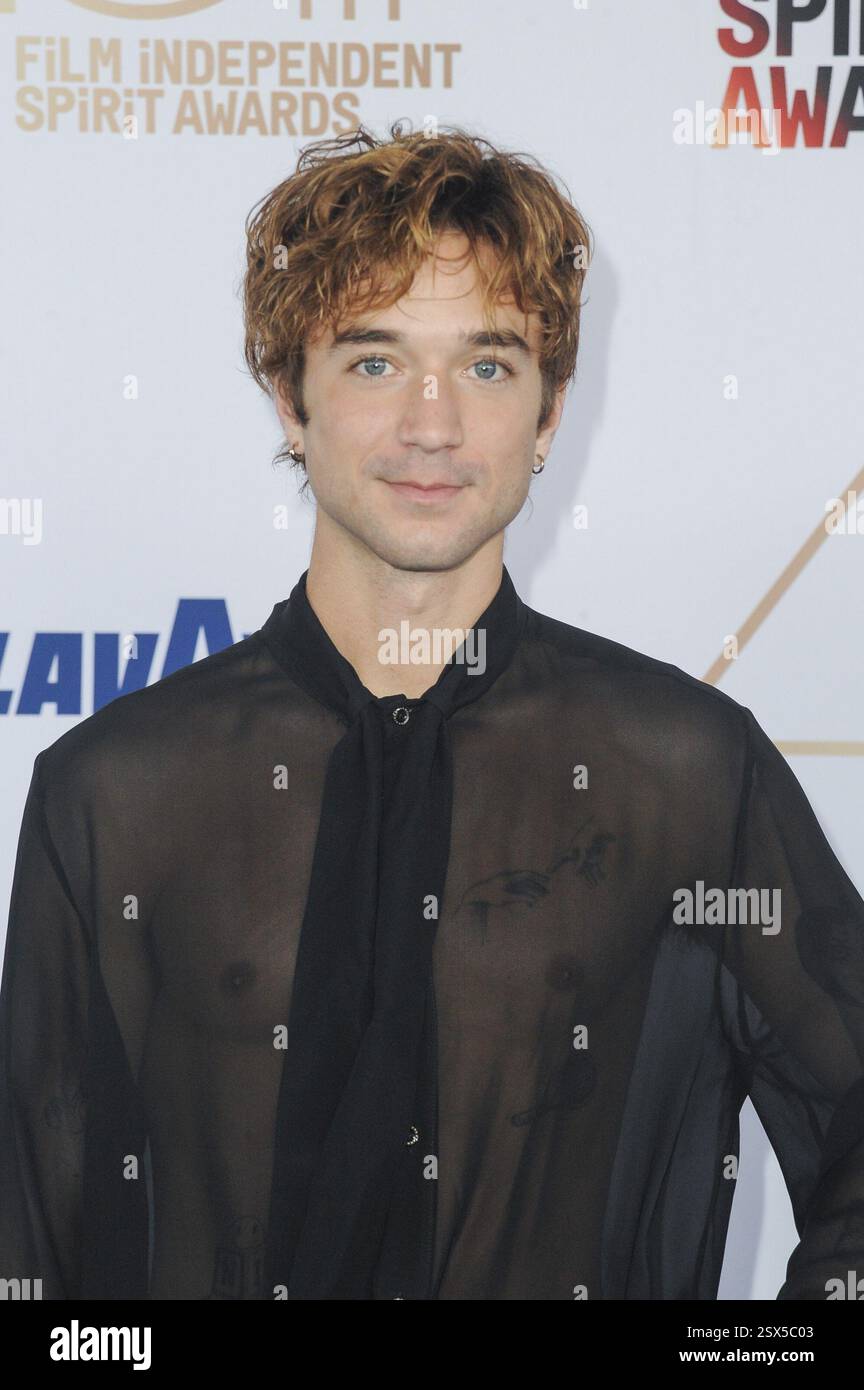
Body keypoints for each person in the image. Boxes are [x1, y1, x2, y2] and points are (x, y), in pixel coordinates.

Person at [1, 121, 863, 1302]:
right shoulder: (114, 790)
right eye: (373, 361)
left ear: (552, 412)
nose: (432, 423)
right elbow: (27, 1248)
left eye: (489, 365)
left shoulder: (688, 773)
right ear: (287, 398)